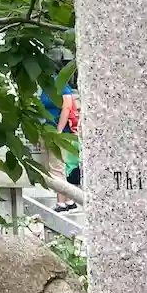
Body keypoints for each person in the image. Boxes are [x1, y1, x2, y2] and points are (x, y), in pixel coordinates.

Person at [41, 83, 81, 211]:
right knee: (54, 167)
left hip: (59, 133)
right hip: (48, 131)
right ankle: (69, 201)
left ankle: (61, 203)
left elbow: (67, 107)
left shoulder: (61, 86)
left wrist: (59, 130)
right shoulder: (45, 85)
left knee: (56, 168)